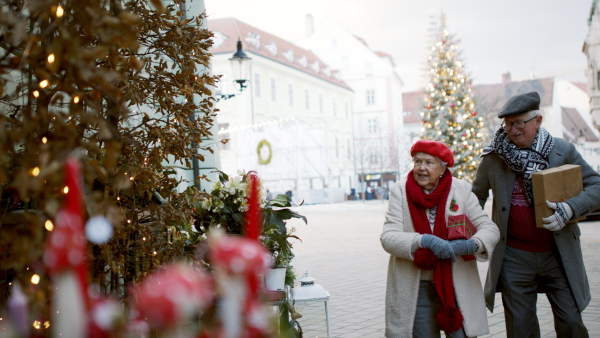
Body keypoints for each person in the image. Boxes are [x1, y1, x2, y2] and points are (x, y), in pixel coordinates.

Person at [472, 91, 600, 338]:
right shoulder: (494, 157)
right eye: (507, 124)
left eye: (519, 123)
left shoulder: (562, 151)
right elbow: (476, 196)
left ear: (538, 121)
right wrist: (476, 231)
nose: (512, 130)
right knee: (521, 329)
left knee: (572, 323)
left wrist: (570, 208)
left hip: (558, 253)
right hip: (514, 256)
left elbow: (596, 185)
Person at [381, 139, 500, 337]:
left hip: (456, 283)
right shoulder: (400, 192)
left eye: (429, 163)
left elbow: (489, 229)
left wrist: (469, 245)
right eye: (418, 162)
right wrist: (423, 241)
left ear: (443, 168)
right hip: (416, 287)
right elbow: (388, 237)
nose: (421, 168)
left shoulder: (461, 190)